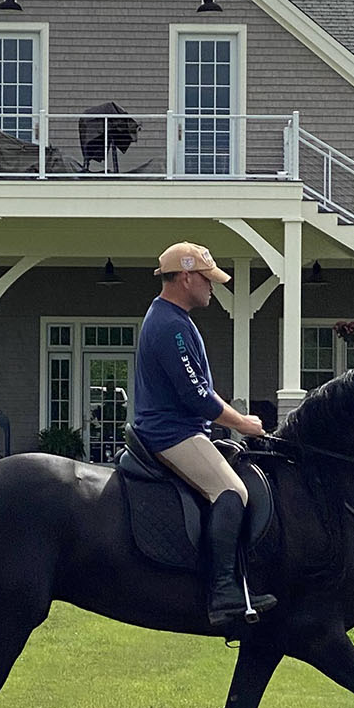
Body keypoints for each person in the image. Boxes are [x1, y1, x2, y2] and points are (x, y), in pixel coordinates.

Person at [133, 241, 277, 627]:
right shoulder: (170, 327)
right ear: (184, 277)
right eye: (207, 278)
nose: (213, 286)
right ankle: (224, 592)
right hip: (171, 433)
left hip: (181, 428)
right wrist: (243, 423)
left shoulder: (172, 319)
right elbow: (196, 395)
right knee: (231, 491)